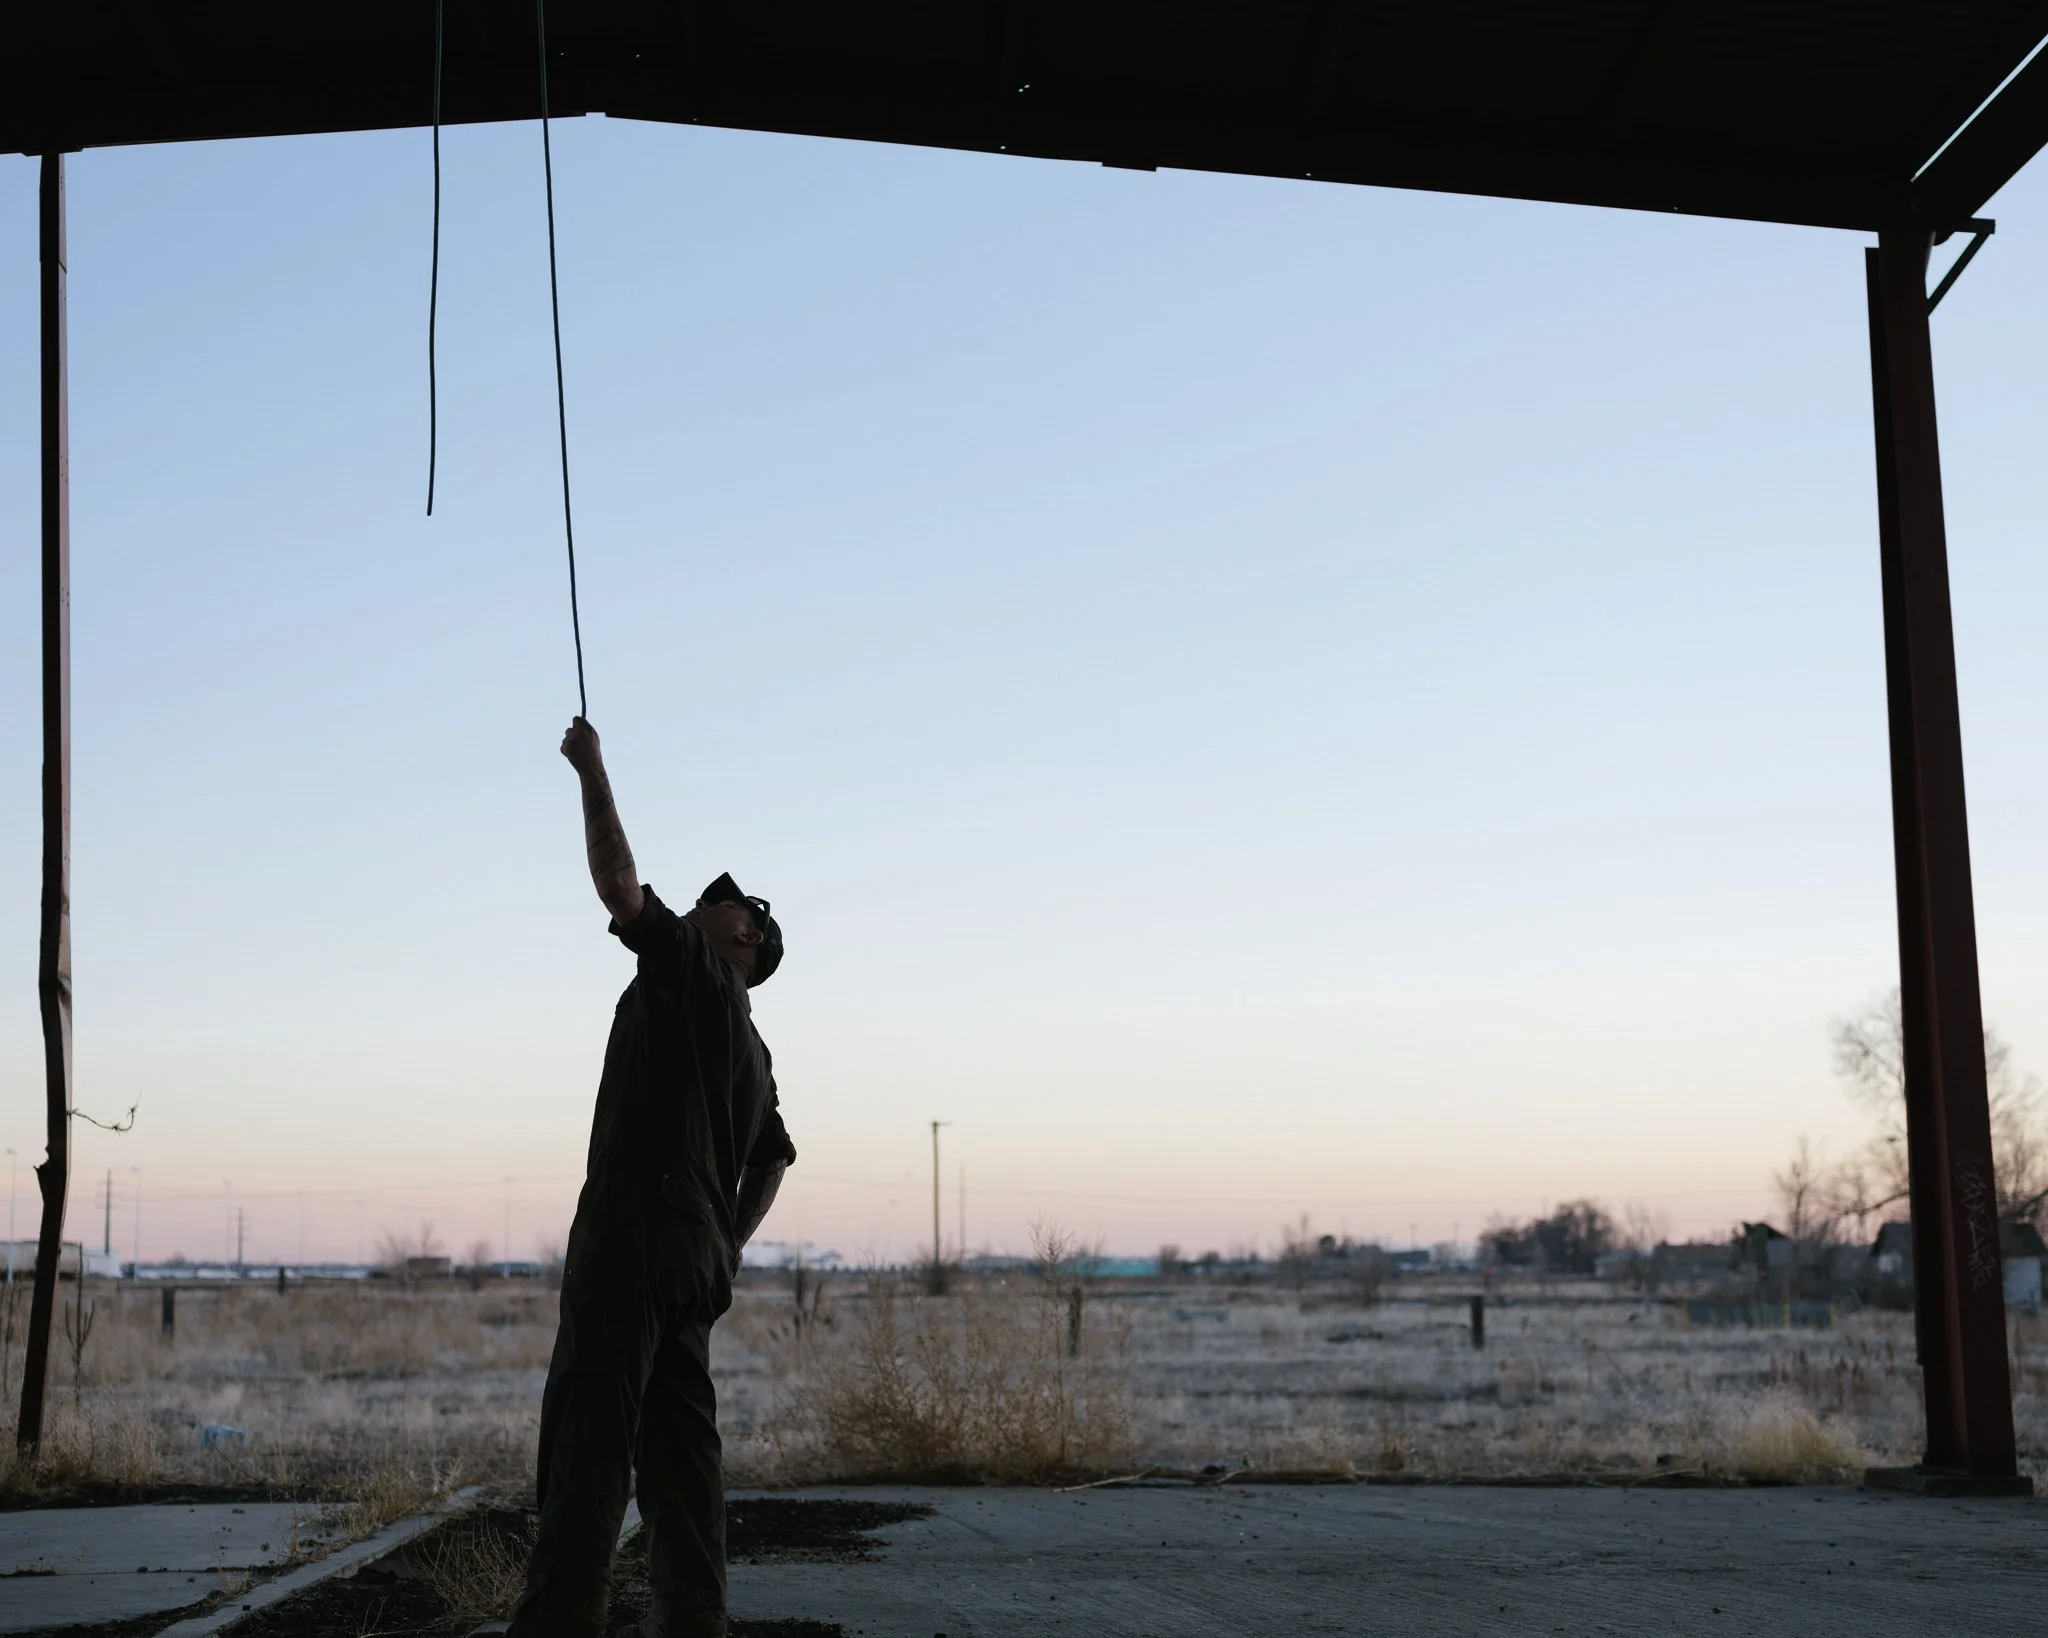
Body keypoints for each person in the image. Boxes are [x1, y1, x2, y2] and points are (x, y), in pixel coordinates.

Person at [494, 717, 795, 1638]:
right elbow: (775, 1158)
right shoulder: (754, 1050)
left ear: (745, 941)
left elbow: (620, 887)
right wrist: (724, 1245)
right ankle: (695, 1626)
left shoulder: (695, 970)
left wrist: (591, 769)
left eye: (726, 906)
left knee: (590, 1442)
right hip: (694, 1260)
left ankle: (556, 1627)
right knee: (681, 1456)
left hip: (630, 1242)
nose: (706, 906)